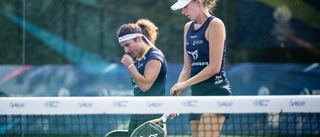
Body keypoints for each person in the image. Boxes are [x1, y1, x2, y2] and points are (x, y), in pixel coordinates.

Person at [169, 0, 232, 136]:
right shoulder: (187, 27)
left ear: (198, 2)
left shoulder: (215, 24)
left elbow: (214, 67)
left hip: (215, 93)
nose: (183, 12)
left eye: (185, 7)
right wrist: (176, 99)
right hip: (196, 95)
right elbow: (187, 68)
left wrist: (185, 84)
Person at [116, 19, 167, 136]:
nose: (126, 50)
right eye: (123, 46)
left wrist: (130, 66)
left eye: (128, 45)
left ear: (139, 38)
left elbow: (145, 86)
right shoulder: (137, 58)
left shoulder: (154, 56)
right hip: (138, 110)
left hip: (151, 113)